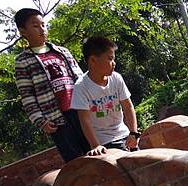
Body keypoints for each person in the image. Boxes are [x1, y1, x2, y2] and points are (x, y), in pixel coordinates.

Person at [14, 8, 89, 162]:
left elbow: (81, 79)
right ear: (23, 31)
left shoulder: (62, 52)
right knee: (76, 162)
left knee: (96, 149)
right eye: (35, 26)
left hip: (80, 110)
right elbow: (27, 95)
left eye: (43, 25)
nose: (42, 30)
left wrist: (92, 100)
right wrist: (40, 121)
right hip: (55, 118)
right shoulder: (22, 61)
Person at [70, 37, 140, 156]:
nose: (114, 63)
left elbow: (128, 107)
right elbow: (84, 120)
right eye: (110, 59)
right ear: (93, 60)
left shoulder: (116, 78)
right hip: (105, 143)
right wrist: (95, 145)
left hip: (124, 135)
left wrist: (134, 133)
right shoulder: (81, 87)